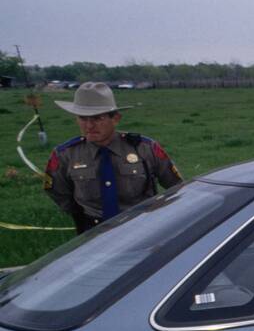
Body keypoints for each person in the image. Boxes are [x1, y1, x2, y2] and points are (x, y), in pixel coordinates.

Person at [44, 81, 182, 233]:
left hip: (143, 229)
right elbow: (59, 193)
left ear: (115, 118)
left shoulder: (145, 148)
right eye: (83, 118)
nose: (89, 126)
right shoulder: (66, 154)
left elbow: (176, 187)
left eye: (97, 118)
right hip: (92, 232)